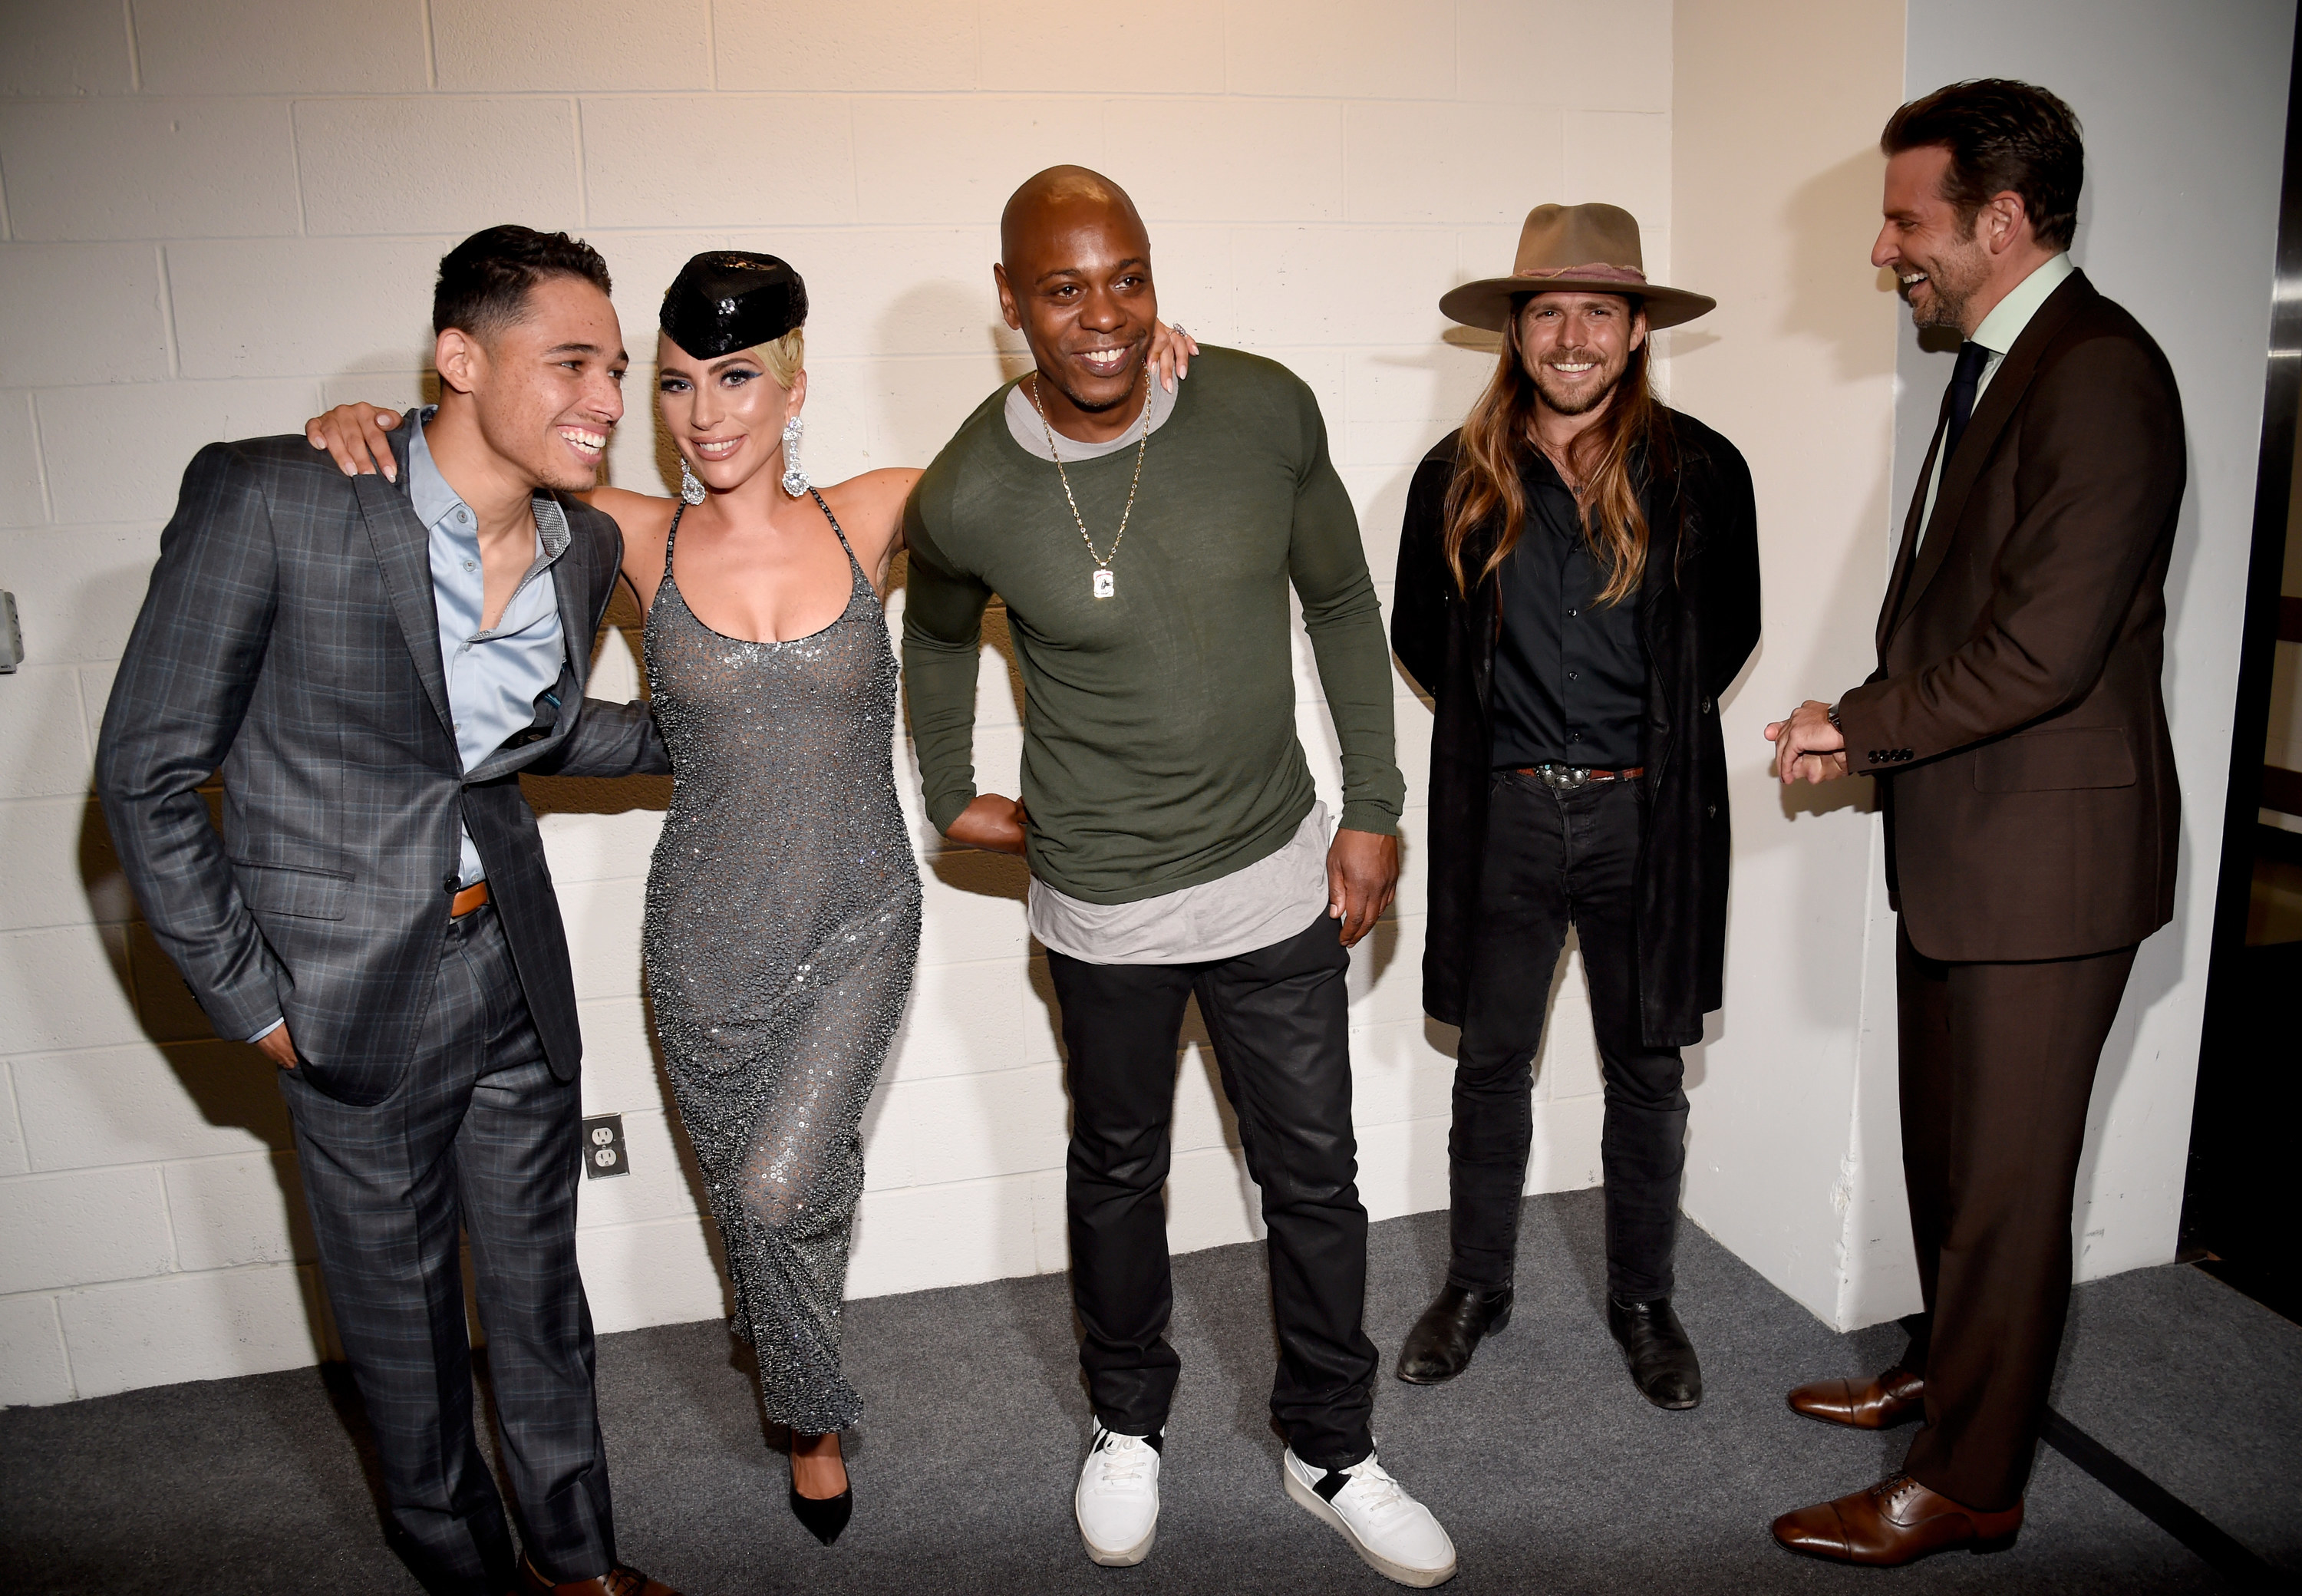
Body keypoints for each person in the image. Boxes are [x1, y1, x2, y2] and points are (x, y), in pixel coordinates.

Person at [304, 254, 1194, 1548]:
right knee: (763, 1202)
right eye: (674, 386)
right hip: (703, 936)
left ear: (791, 387)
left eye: (734, 380)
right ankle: (799, 1379)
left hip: (860, 916)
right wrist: (364, 427)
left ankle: (813, 1419)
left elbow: (1063, 482)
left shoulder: (877, 509)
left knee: (782, 1188)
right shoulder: (628, 533)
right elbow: (469, 468)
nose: (706, 413)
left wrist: (1148, 381)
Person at [96, 226, 680, 1596]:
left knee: (541, 1300)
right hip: (347, 992)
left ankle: (576, 1564)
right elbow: (150, 770)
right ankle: (462, 1571)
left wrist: (715, 733)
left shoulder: (582, 544)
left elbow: (508, 741)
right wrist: (254, 1002)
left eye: (616, 364)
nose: (606, 396)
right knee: (407, 1331)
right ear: (460, 360)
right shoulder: (280, 496)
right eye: (573, 361)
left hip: (513, 973)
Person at [901, 165, 1456, 1588]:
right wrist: (955, 789)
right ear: (1013, 303)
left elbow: (1340, 599)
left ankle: (1331, 1444)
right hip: (1104, 903)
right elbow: (940, 634)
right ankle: (1126, 1424)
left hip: (1275, 872)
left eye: (1129, 278)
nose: (1106, 318)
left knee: (1313, 1180)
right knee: (1118, 1174)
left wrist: (1377, 807)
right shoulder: (968, 487)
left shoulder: (1258, 407)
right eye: (1067, 289)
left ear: (1158, 278)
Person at [1764, 80, 2184, 1566]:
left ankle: (1974, 1482)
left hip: (2048, 871)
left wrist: (1854, 719)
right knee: (1955, 1158)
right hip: (1969, 851)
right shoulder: (2007, 362)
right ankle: (1950, 1370)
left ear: (2002, 220)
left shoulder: (2100, 374)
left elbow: (2041, 651)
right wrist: (1869, 722)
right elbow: (1966, 609)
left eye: (1905, 219)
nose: (1887, 252)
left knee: (2007, 1187)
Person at [1389, 204, 1759, 1410]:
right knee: (1491, 1065)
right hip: (1501, 816)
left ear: (1639, 328)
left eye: (1599, 310)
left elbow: (1727, 630)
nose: (1572, 335)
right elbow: (1422, 639)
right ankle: (1477, 1288)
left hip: (1645, 822)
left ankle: (1645, 1303)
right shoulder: (1456, 476)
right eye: (1548, 311)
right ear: (1516, 331)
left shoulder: (1704, 471)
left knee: (1647, 1071)